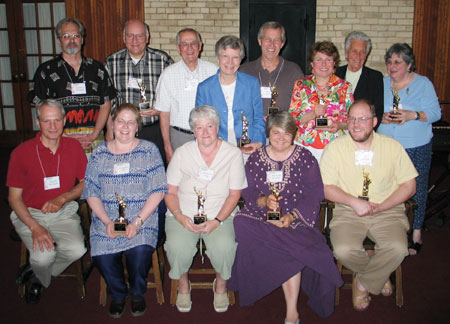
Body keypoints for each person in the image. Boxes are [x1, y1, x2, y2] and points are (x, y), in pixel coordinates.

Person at [228, 112, 343, 323]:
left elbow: (314, 193)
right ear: (268, 134)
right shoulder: (256, 158)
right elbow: (249, 190)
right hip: (262, 217)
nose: (281, 138)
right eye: (276, 133)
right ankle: (297, 246)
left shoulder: (305, 157)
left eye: (287, 133)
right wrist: (264, 202)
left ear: (294, 135)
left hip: (295, 217)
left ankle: (292, 311)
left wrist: (290, 216)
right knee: (240, 222)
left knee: (287, 247)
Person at [320, 99, 418, 311]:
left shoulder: (392, 146)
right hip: (348, 211)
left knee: (398, 248)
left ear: (374, 121)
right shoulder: (335, 148)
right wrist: (353, 202)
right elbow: (326, 187)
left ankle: (364, 281)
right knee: (343, 250)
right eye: (352, 119)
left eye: (363, 119)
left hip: (388, 210)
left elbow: (409, 186)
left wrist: (382, 206)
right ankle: (378, 275)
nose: (356, 124)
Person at [82, 103, 167, 318]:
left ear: (137, 126)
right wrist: (107, 221)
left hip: (143, 216)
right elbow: (91, 191)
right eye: (120, 121)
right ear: (112, 123)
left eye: (131, 122)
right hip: (107, 217)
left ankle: (137, 293)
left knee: (139, 253)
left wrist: (137, 222)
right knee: (102, 256)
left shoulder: (149, 150)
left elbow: (158, 190)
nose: (125, 126)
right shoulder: (100, 153)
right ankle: (118, 294)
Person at [164, 105, 247, 313]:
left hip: (221, 215)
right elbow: (170, 192)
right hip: (182, 213)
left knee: (225, 247)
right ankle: (184, 284)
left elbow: (235, 194)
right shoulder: (182, 153)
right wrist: (180, 216)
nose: (205, 132)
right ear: (193, 131)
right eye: (199, 127)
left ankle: (220, 285)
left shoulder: (233, 154)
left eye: (209, 126)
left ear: (217, 127)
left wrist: (217, 221)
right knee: (177, 247)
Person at [7, 99, 87, 304]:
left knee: (78, 250)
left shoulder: (74, 147)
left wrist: (63, 197)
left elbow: (86, 182)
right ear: (38, 122)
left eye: (57, 120)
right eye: (46, 121)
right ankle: (39, 272)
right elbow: (14, 199)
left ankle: (36, 274)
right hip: (30, 213)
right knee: (44, 256)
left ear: (64, 120)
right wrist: (35, 227)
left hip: (63, 211)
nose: (52, 127)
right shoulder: (21, 152)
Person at [377, 43, 441, 255]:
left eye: (397, 62)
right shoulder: (382, 83)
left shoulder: (423, 84)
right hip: (387, 147)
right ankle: (390, 228)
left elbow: (435, 113)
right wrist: (382, 118)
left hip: (415, 145)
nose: (392, 66)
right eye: (389, 62)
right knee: (387, 187)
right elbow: (374, 110)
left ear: (409, 64)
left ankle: (416, 231)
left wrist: (412, 115)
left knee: (417, 188)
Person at [28, 18, 116, 153]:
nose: (72, 40)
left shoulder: (97, 69)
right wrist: (64, 135)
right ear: (59, 41)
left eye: (76, 36)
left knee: (94, 173)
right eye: (66, 36)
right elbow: (40, 106)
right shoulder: (46, 71)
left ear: (82, 39)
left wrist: (94, 134)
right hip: (59, 139)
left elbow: (105, 104)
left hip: (93, 139)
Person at [105, 19, 174, 164]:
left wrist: (160, 109)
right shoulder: (112, 62)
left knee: (155, 172)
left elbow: (174, 95)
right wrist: (109, 132)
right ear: (124, 38)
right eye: (130, 36)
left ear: (147, 38)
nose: (134, 40)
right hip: (124, 131)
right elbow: (109, 101)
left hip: (154, 130)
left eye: (140, 35)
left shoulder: (163, 61)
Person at [195, 35, 265, 157]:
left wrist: (258, 142)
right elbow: (199, 123)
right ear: (217, 58)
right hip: (215, 147)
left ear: (241, 59)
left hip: (247, 147)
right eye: (225, 56)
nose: (230, 62)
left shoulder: (251, 83)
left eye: (235, 57)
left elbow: (258, 117)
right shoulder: (204, 88)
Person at [155, 28, 217, 163]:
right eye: (184, 44)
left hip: (209, 136)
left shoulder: (214, 71)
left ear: (200, 46)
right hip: (179, 137)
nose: (189, 48)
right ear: (178, 48)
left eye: (193, 43)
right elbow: (164, 113)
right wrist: (167, 146)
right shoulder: (168, 74)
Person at [289, 41, 353, 161]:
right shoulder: (301, 85)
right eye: (319, 59)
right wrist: (313, 114)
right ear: (312, 63)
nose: (324, 64)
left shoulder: (344, 87)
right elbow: (292, 118)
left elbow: (351, 119)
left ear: (334, 63)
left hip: (335, 147)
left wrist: (339, 125)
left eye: (328, 59)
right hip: (305, 145)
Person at [239, 21, 304, 115]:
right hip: (252, 128)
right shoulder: (244, 71)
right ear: (259, 41)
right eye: (267, 39)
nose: (272, 44)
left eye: (276, 40)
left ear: (282, 44)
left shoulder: (294, 71)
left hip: (283, 129)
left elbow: (301, 108)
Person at [335, 31, 384, 129]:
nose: (358, 56)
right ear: (346, 53)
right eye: (354, 51)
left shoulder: (375, 77)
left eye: (363, 52)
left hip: (361, 133)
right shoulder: (335, 74)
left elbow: (378, 111)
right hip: (336, 133)